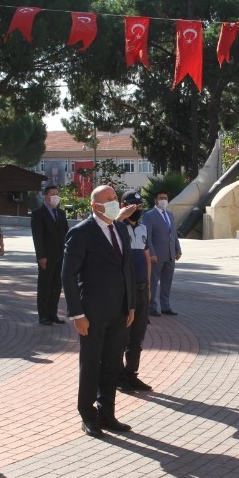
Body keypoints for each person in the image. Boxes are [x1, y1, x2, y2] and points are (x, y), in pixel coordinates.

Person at [62, 185, 135, 438]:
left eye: (115, 198)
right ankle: (87, 414)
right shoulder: (81, 233)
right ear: (95, 206)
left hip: (119, 311)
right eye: (109, 199)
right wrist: (77, 314)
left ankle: (107, 413)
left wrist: (131, 305)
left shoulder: (121, 228)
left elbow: (128, 269)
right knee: (91, 364)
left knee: (112, 365)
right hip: (91, 314)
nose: (115, 202)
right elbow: (68, 276)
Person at [118, 190, 153, 392]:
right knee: (122, 336)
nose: (136, 210)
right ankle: (118, 376)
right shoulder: (117, 228)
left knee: (137, 337)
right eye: (132, 206)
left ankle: (132, 374)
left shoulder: (142, 228)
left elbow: (147, 256)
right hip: (125, 291)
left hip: (141, 289)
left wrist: (148, 285)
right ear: (123, 206)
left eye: (139, 207)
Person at [30, 184, 69, 325]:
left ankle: (53, 314)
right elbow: (37, 237)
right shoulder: (38, 213)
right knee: (45, 287)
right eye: (52, 194)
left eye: (57, 194)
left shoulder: (61, 213)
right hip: (46, 257)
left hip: (60, 256)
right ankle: (43, 316)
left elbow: (66, 233)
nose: (55, 197)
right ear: (46, 197)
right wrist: (41, 256)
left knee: (56, 286)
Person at [142, 189, 181, 317]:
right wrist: (151, 253)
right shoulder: (149, 215)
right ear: (155, 200)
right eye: (160, 198)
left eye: (165, 198)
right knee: (153, 282)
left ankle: (165, 306)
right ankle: (151, 307)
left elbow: (173, 234)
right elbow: (147, 236)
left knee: (167, 282)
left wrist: (177, 249)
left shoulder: (170, 215)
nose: (163, 200)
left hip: (170, 255)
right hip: (156, 256)